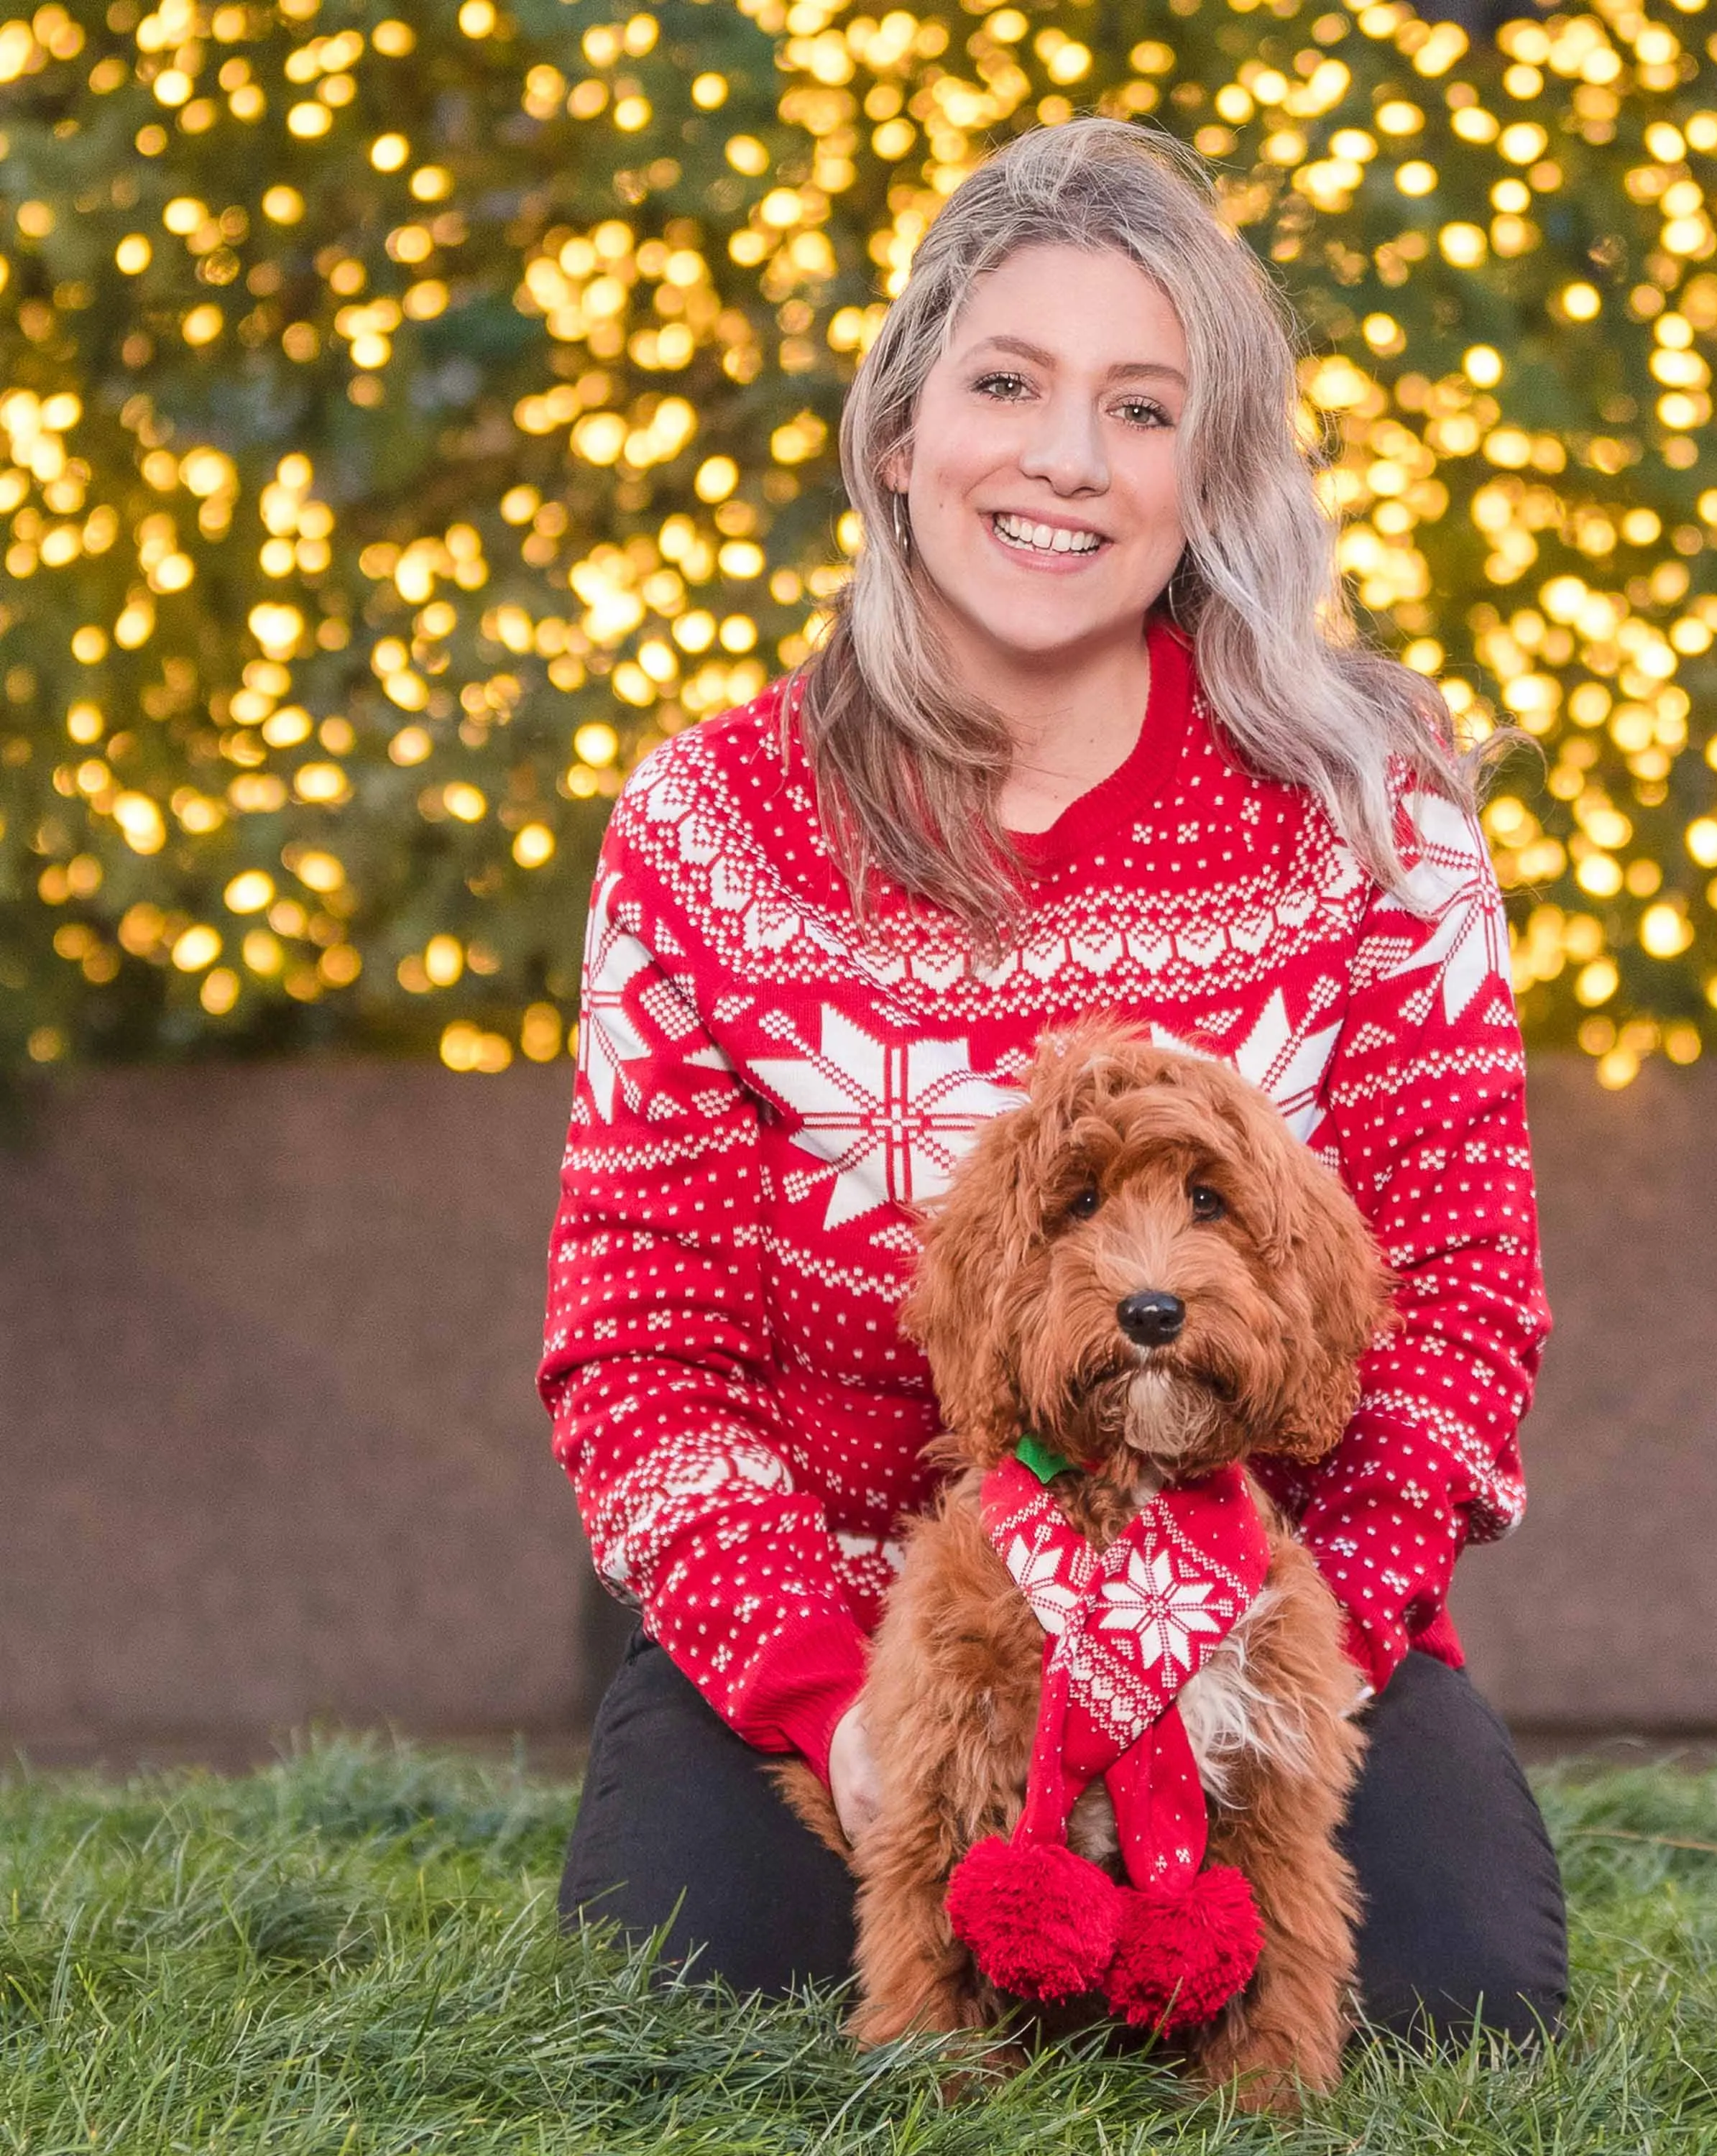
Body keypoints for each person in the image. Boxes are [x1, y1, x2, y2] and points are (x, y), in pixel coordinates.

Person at [540, 116, 1566, 2046]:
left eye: (1142, 407)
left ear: (1212, 474)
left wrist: (1265, 1678)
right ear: (900, 433)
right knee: (704, 1990)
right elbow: (641, 1353)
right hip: (868, 1622)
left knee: (1446, 1998)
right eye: (1008, 384)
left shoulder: (1370, 822)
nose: (1066, 460)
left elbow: (1461, 1307)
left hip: (1257, 1604)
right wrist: (844, 1722)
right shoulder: (709, 830)